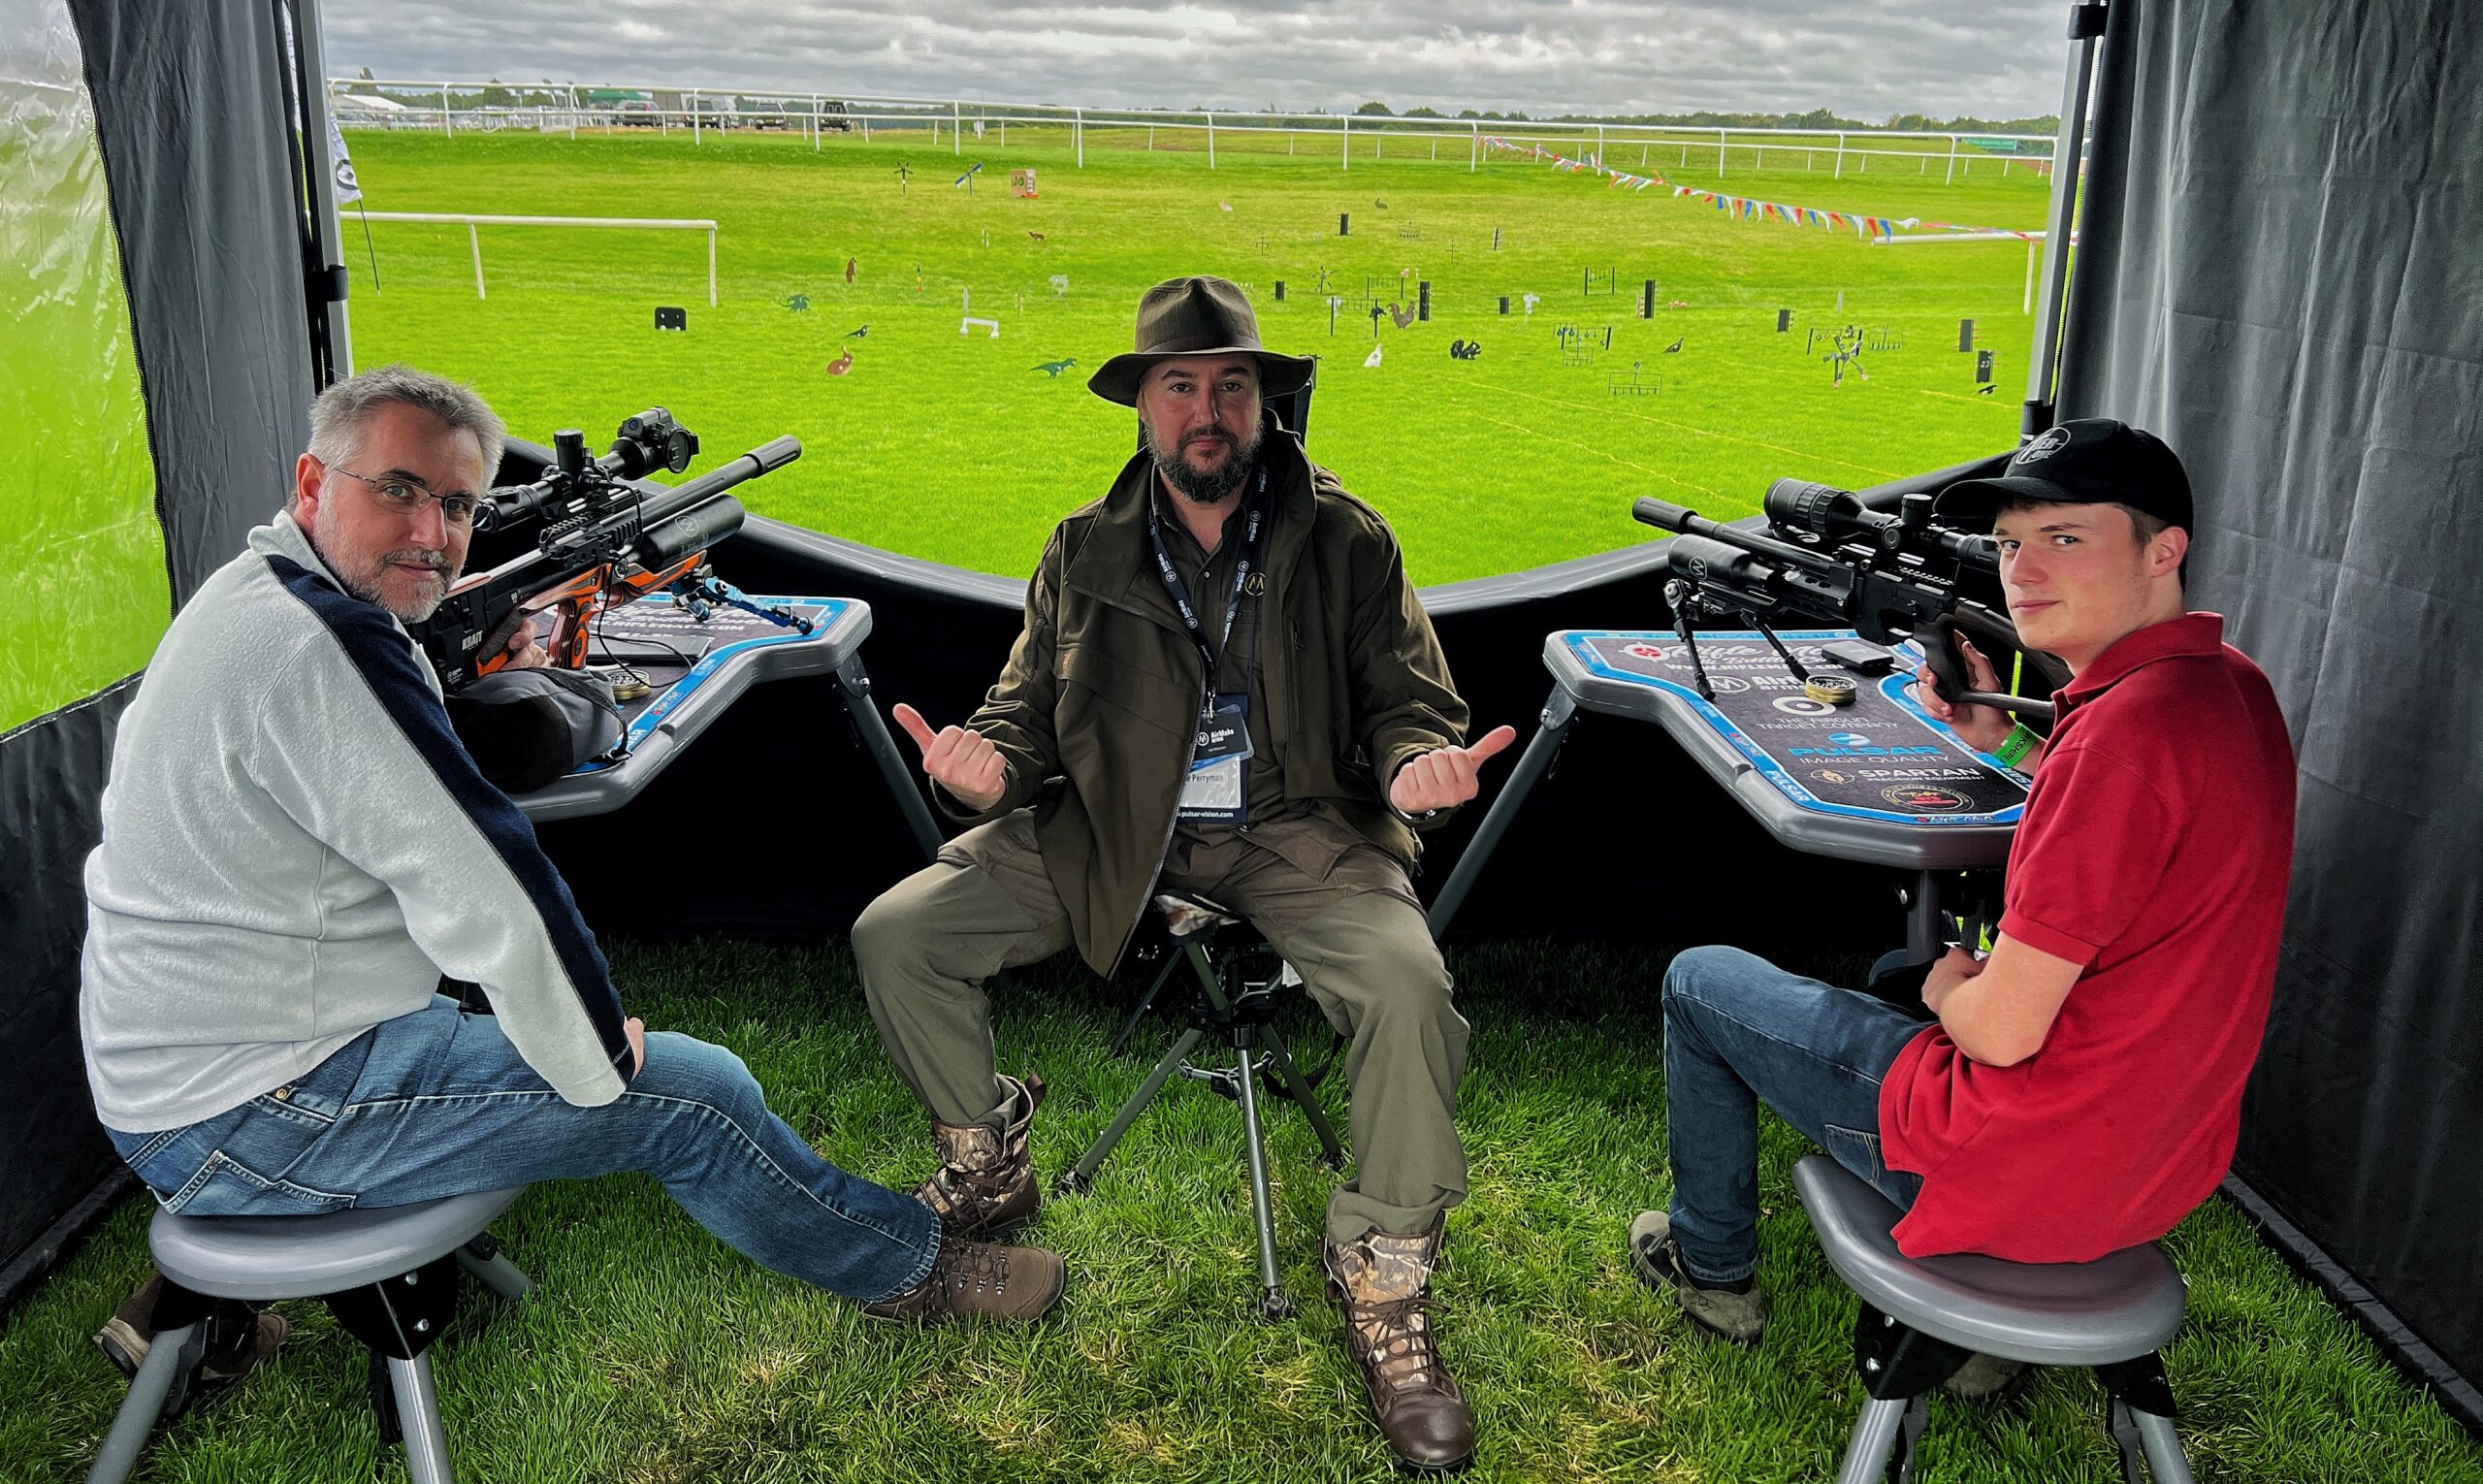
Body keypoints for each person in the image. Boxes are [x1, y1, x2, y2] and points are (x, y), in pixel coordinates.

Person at [81, 366, 1063, 1387]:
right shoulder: (323, 650)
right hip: (256, 1104)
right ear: (312, 482)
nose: (432, 530)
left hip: (187, 1064)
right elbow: (491, 887)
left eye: (459, 504)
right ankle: (906, 1267)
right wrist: (596, 1052)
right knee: (696, 1093)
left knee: (483, 1009)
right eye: (398, 489)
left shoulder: (258, 593)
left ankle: (214, 1302)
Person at [855, 276, 1515, 1472]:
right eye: (1181, 387)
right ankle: (983, 1156)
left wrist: (1417, 764)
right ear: (1142, 409)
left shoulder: (1348, 538)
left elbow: (1410, 703)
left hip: (1298, 826)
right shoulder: (1081, 550)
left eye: (1230, 385)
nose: (1206, 410)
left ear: (1263, 404)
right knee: (900, 932)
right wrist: (988, 767)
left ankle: (1385, 1273)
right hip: (1108, 825)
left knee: (1408, 990)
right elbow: (1023, 714)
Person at [1625, 419, 2295, 1372]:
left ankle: (1707, 1264)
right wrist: (1997, 741)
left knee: (1703, 981)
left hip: (2024, 1167)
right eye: (2013, 544)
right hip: (2153, 1164)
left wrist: (1951, 992)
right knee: (1900, 971)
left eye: (2065, 539)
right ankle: (1977, 1307)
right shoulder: (2227, 689)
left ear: (2163, 550)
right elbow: (2129, 846)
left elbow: (2003, 1033)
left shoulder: (2119, 743)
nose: (2023, 569)